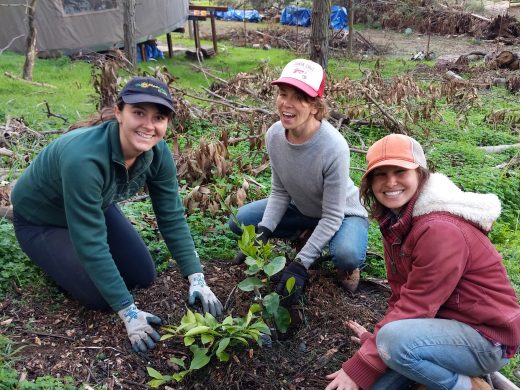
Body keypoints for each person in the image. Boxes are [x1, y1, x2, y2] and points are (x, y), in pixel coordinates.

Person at [10, 76, 223, 353]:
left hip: (95, 206)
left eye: (158, 117)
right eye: (138, 113)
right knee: (100, 297)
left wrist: (196, 277)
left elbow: (171, 216)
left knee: (142, 273)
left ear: (167, 123)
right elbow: (91, 242)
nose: (148, 125)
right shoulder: (84, 159)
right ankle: (52, 255)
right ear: (118, 112)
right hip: (42, 221)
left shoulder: (157, 154)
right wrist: (129, 313)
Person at [325, 134, 520, 390]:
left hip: (486, 339)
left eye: (400, 171)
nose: (391, 182)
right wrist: (374, 342)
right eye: (380, 174)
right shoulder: (396, 221)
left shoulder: (439, 228)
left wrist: (363, 363)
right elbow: (401, 294)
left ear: (420, 174)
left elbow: (415, 306)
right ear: (370, 182)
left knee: (392, 344)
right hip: (443, 325)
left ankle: (469, 387)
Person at [228, 59, 369, 303]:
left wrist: (300, 264)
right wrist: (264, 231)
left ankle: (338, 258)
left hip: (343, 213)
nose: (286, 103)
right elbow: (280, 192)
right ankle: (307, 231)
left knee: (346, 254)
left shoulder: (334, 147)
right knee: (240, 222)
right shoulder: (274, 135)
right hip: (302, 207)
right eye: (283, 93)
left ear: (315, 106)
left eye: (299, 97)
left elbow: (333, 215)